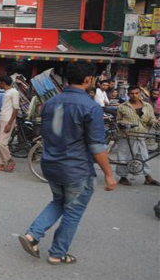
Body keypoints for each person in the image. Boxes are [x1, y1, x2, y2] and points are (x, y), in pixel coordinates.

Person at [18, 63, 116, 265]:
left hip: (51, 163)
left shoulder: (51, 103)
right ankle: (57, 253)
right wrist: (108, 174)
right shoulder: (91, 107)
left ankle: (32, 235)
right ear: (88, 80)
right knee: (73, 211)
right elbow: (97, 147)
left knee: (59, 202)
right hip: (76, 168)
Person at [114, 86, 160, 186]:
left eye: (136, 93)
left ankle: (148, 178)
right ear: (128, 94)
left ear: (140, 94)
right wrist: (122, 125)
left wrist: (157, 123)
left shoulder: (147, 106)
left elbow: (152, 120)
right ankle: (123, 177)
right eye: (131, 93)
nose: (134, 95)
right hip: (127, 135)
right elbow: (117, 121)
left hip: (141, 135)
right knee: (124, 156)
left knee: (143, 156)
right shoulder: (123, 106)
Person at [0, 75, 20, 172]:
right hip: (2, 119)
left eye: (0, 83)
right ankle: (0, 163)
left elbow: (16, 109)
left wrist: (10, 123)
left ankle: (9, 160)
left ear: (3, 83)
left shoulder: (14, 92)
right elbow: (4, 108)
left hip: (8, 120)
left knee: (1, 143)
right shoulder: (6, 92)